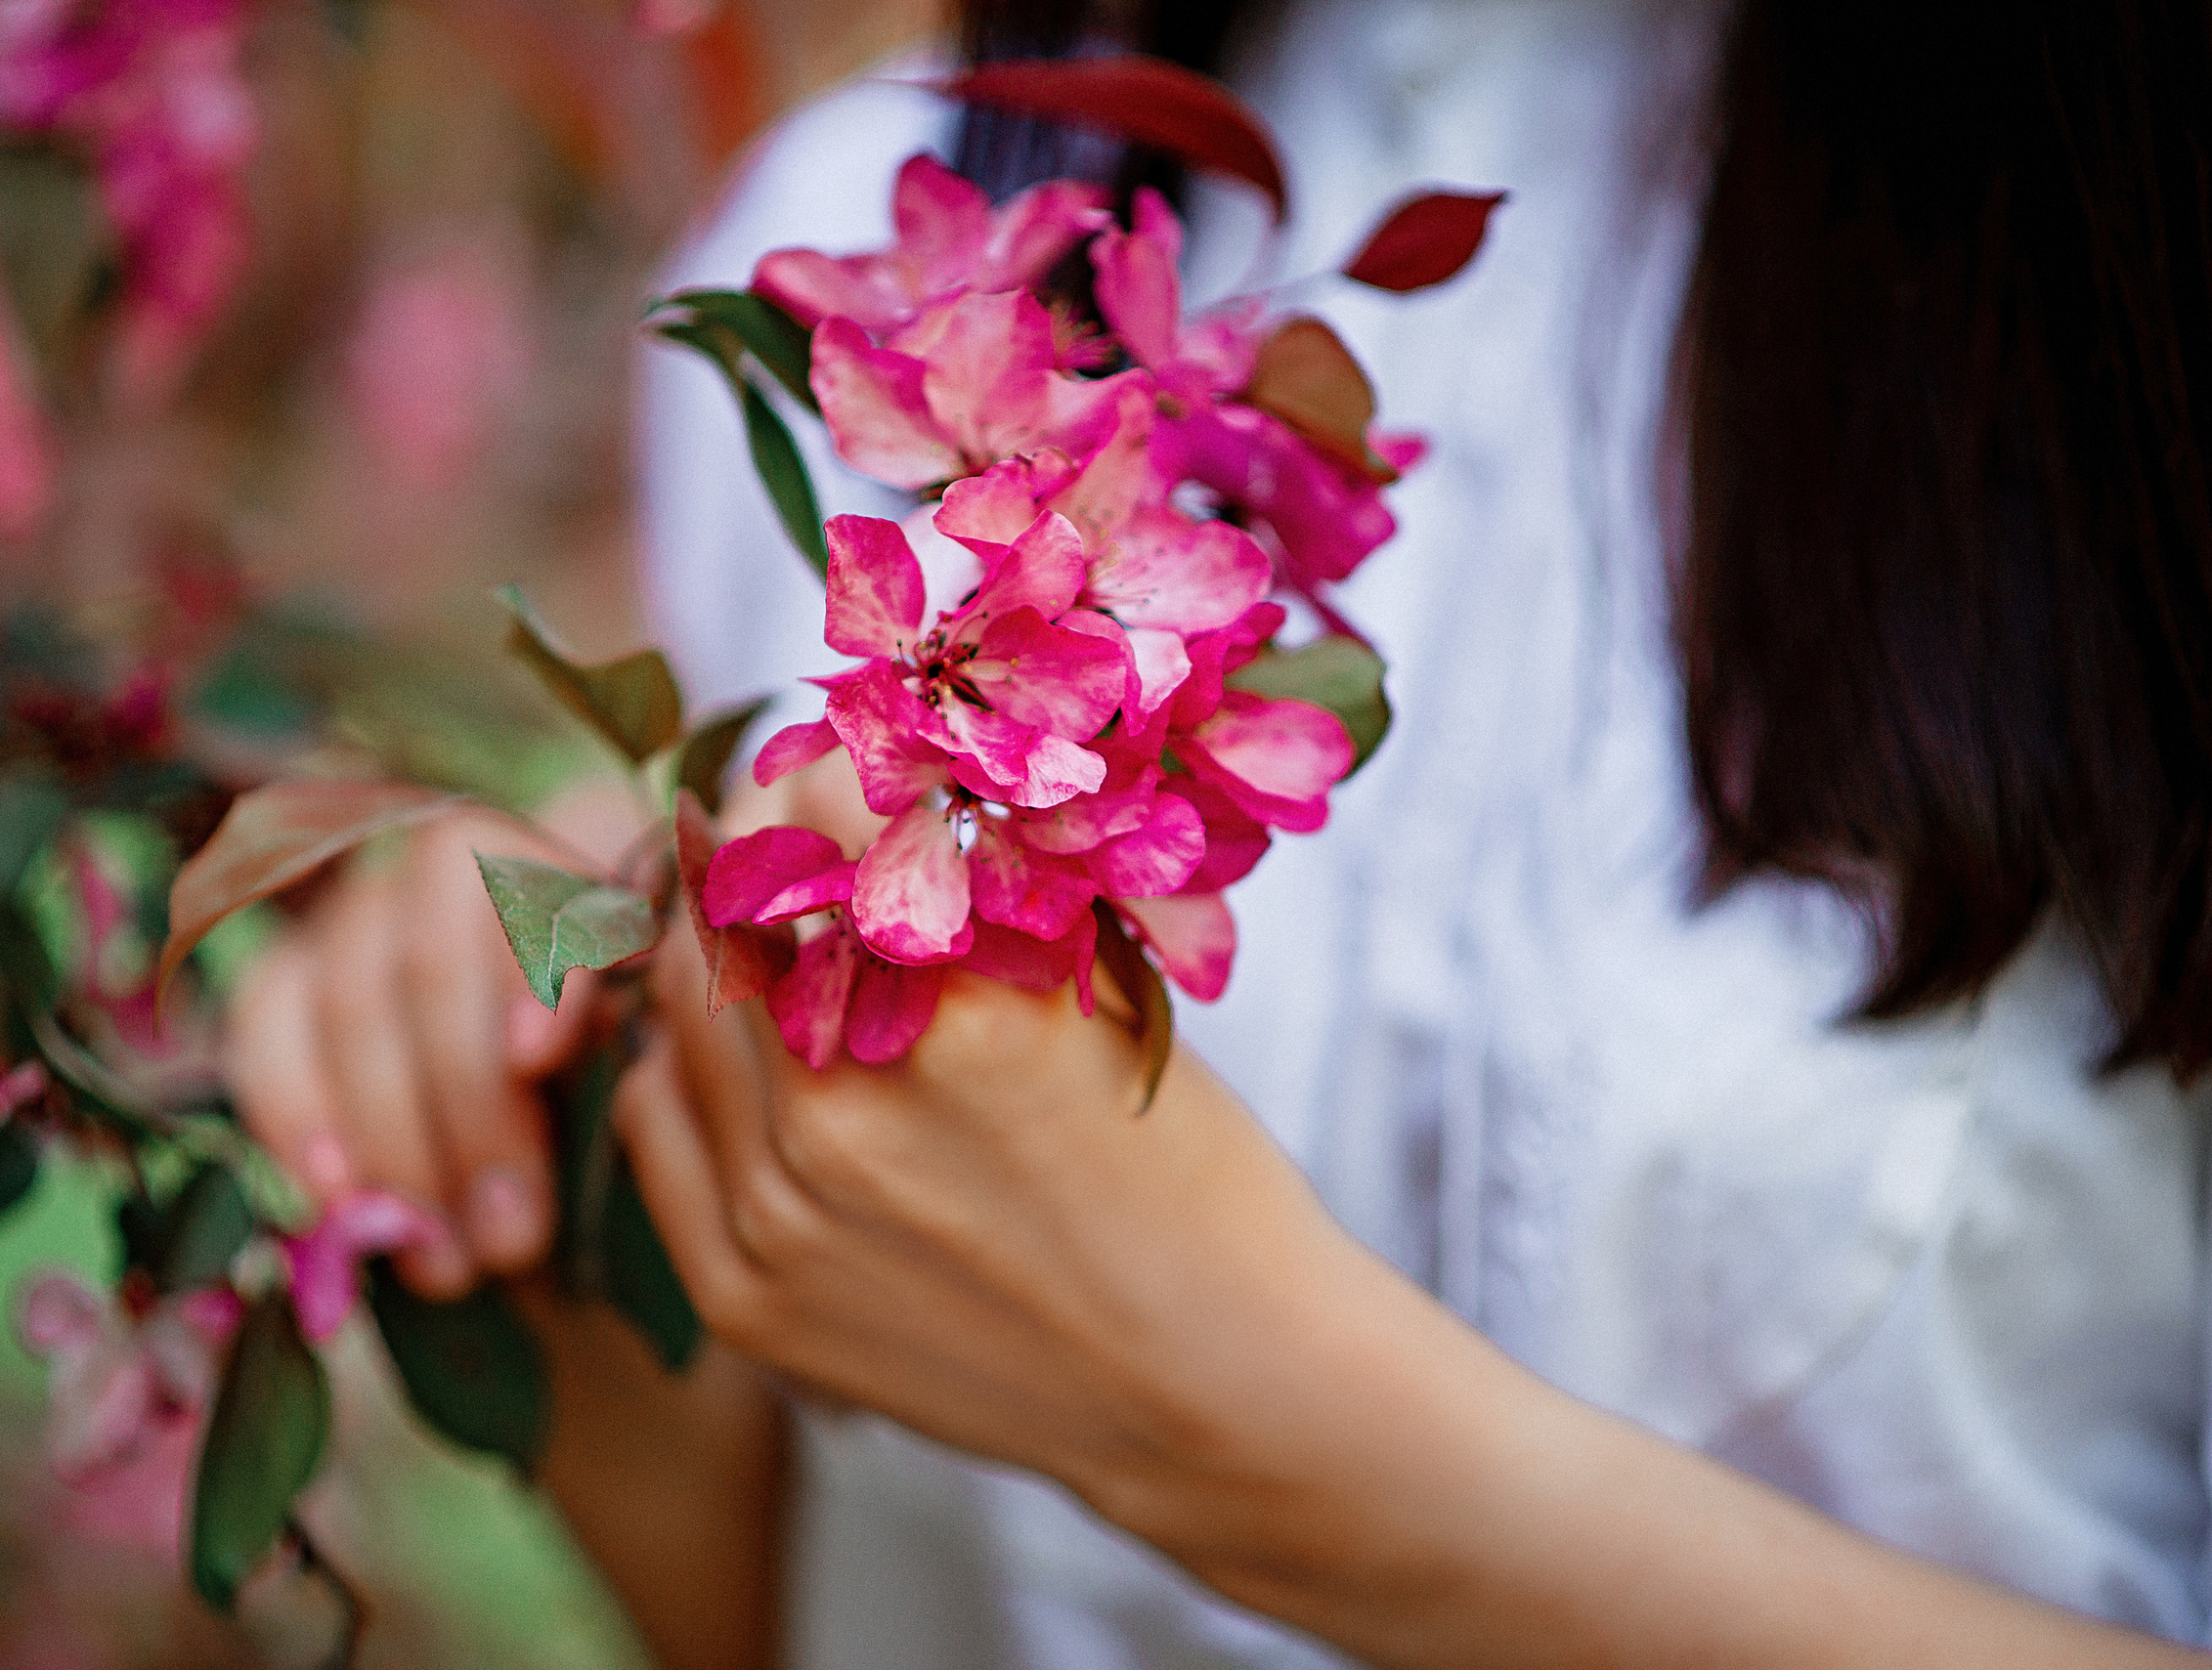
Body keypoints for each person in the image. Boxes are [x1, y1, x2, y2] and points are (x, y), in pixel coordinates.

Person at [225, 1, 2212, 1665]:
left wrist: (1263, 1435)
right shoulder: (878, 268)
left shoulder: (2123, 344)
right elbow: (823, 1614)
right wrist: (558, 1198)